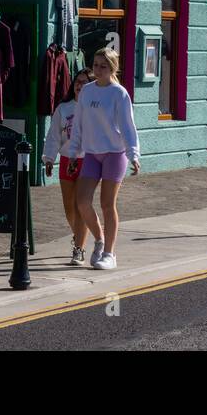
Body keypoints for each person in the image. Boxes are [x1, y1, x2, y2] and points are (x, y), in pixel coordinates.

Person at [68, 48, 139, 271]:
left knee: (107, 204)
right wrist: (73, 152)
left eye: (103, 66)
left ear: (112, 68)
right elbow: (78, 124)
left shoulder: (119, 93)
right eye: (96, 65)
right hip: (91, 153)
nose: (98, 70)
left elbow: (128, 126)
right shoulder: (87, 92)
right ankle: (99, 239)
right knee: (82, 202)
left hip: (114, 153)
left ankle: (110, 254)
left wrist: (133, 154)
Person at [44, 68, 94, 265]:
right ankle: (79, 235)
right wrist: (49, 158)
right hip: (66, 159)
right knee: (69, 208)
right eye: (77, 82)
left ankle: (79, 248)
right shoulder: (63, 108)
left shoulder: (94, 107)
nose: (79, 85)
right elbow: (54, 135)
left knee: (81, 205)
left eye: (84, 82)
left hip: (87, 160)